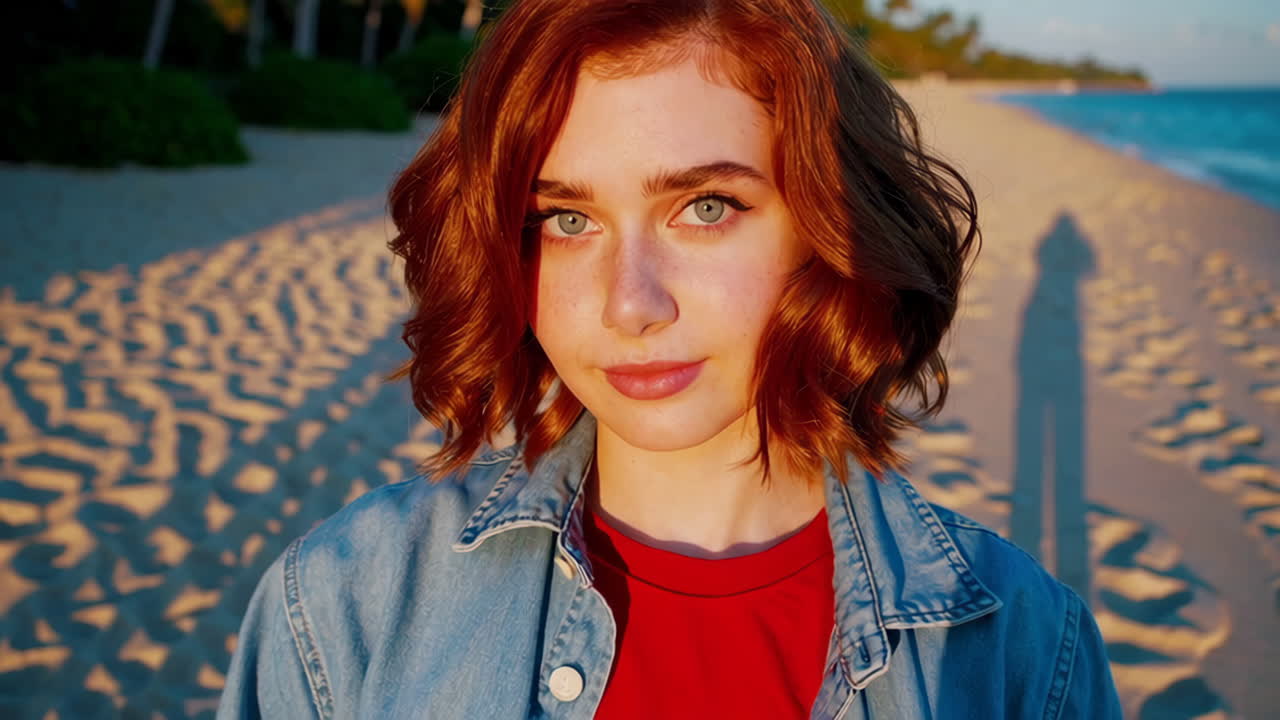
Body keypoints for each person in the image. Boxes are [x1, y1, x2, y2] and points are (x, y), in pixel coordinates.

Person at [217, 0, 1123, 717]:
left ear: (831, 224)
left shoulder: (1022, 650)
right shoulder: (346, 602)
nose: (629, 304)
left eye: (706, 207)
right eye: (565, 221)